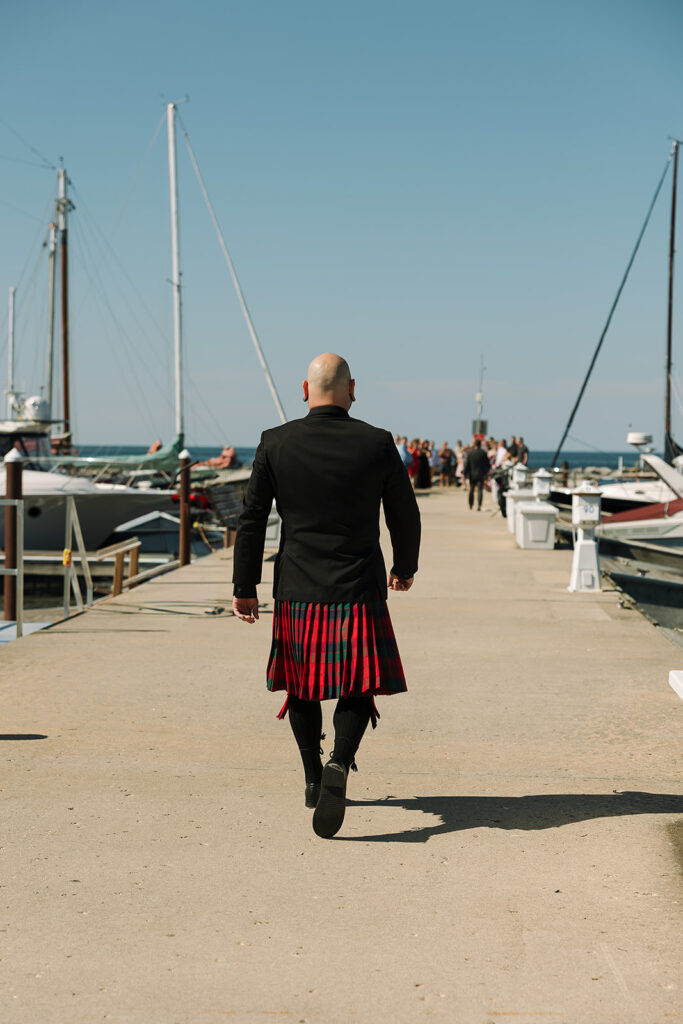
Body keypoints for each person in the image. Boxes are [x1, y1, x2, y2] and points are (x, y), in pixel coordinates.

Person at [232, 353, 421, 839]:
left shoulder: (275, 443)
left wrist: (244, 586)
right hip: (357, 586)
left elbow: (252, 519)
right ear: (352, 389)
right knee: (358, 685)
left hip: (297, 587)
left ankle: (315, 779)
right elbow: (404, 511)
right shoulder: (377, 443)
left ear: (304, 389)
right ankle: (340, 760)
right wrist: (404, 567)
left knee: (302, 686)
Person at [463, 438, 490, 510]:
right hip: (481, 474)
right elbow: (487, 465)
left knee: (471, 490)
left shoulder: (470, 453)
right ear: (480, 444)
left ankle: (471, 504)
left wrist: (465, 473)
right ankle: (479, 505)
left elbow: (467, 465)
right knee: (480, 490)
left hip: (472, 475)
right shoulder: (483, 453)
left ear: (474, 445)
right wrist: (485, 473)